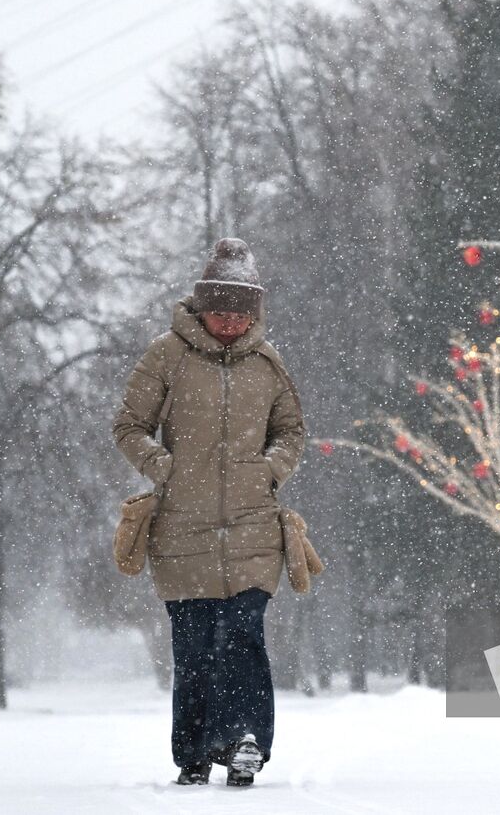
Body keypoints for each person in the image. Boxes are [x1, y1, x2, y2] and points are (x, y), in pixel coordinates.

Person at [111, 237, 306, 787]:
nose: (230, 324)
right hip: (181, 527)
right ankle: (195, 750)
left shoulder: (269, 364)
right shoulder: (166, 355)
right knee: (195, 641)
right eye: (220, 312)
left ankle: (245, 740)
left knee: (243, 631)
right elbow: (128, 426)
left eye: (241, 314)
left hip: (252, 525)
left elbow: (291, 430)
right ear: (201, 307)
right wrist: (162, 465)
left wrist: (270, 469)